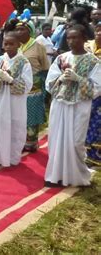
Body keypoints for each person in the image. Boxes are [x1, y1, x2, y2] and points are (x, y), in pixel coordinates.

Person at [44, 25, 100, 187]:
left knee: (76, 142)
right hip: (60, 104)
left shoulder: (93, 62)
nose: (71, 41)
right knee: (56, 139)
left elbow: (97, 87)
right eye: (68, 38)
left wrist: (78, 79)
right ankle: (55, 175)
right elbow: (49, 83)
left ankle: (77, 175)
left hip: (80, 105)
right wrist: (60, 79)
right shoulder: (61, 58)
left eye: (75, 37)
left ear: (84, 39)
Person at [0, 32, 33, 171]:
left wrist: (11, 80)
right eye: (6, 44)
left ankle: (12, 157)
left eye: (12, 44)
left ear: (18, 45)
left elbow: (27, 85)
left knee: (15, 127)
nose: (8, 47)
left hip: (15, 103)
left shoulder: (24, 62)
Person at [15, 20, 50, 152]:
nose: (19, 32)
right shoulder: (16, 46)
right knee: (20, 113)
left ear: (30, 31)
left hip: (34, 85)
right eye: (17, 30)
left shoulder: (38, 45)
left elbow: (45, 67)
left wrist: (44, 88)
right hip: (19, 86)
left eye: (22, 29)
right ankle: (21, 139)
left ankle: (32, 141)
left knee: (31, 113)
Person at [85, 22, 101, 166]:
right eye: (98, 30)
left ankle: (96, 154)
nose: (100, 33)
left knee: (98, 123)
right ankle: (86, 152)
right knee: (87, 120)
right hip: (86, 88)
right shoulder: (87, 47)